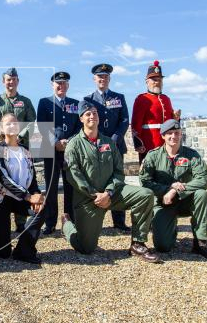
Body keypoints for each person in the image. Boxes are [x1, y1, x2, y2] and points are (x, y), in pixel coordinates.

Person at [63, 101, 161, 263]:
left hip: (112, 194)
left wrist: (108, 192)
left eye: (94, 113)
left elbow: (118, 172)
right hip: (88, 199)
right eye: (88, 114)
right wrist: (96, 195)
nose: (92, 116)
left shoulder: (108, 142)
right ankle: (67, 225)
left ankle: (138, 243)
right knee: (86, 248)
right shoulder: (74, 145)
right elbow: (73, 176)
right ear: (81, 119)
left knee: (145, 194)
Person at [139, 119, 207, 260]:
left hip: (186, 201)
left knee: (202, 195)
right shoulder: (153, 156)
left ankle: (200, 243)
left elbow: (203, 179)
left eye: (177, 133)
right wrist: (167, 188)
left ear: (181, 134)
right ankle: (170, 228)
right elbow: (145, 182)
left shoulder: (192, 155)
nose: (174, 136)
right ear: (162, 135)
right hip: (164, 203)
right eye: (169, 133)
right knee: (163, 247)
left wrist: (176, 190)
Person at [0, 67, 36, 232]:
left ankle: (21, 222)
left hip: (21, 146)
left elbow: (32, 122)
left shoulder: (26, 101)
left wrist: (19, 136)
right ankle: (2, 222)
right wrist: (1, 139)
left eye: (14, 79)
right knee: (3, 181)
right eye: (8, 79)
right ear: (3, 81)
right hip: (2, 149)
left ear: (18, 81)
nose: (11, 82)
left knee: (22, 178)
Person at [0, 113, 45, 264]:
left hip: (20, 199)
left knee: (43, 207)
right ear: (2, 129)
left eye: (15, 123)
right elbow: (4, 179)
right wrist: (28, 197)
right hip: (1, 199)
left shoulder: (26, 150)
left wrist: (37, 195)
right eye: (7, 124)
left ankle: (23, 250)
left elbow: (32, 179)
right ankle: (0, 243)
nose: (12, 126)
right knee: (3, 253)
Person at [84, 63, 131, 232]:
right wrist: (101, 139)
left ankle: (119, 221)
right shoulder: (88, 100)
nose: (102, 79)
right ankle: (95, 221)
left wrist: (115, 138)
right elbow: (88, 121)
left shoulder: (119, 97)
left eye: (105, 76)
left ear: (109, 79)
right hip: (96, 145)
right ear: (94, 79)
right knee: (97, 181)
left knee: (117, 181)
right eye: (99, 76)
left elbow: (125, 119)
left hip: (116, 146)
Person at [36, 71, 80, 235]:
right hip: (50, 149)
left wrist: (69, 142)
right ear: (52, 85)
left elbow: (78, 126)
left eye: (64, 83)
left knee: (71, 187)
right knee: (51, 187)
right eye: (58, 83)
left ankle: (70, 220)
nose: (61, 86)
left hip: (70, 150)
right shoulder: (44, 102)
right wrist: (55, 142)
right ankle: (50, 222)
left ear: (68, 85)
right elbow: (42, 125)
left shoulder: (75, 103)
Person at [131, 60, 180, 163]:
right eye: (154, 79)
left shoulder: (166, 99)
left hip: (167, 142)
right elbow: (136, 123)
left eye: (159, 79)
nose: (157, 82)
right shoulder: (142, 99)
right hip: (149, 142)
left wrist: (176, 118)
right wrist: (138, 143)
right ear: (147, 81)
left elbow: (170, 121)